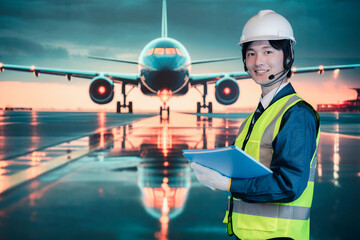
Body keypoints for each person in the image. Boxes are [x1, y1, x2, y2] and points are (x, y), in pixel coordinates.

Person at [191, 10, 320, 240]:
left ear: (288, 56)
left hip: (280, 236)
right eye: (251, 53)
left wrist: (228, 184)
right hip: (251, 233)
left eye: (268, 51)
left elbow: (288, 185)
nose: (258, 62)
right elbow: (250, 168)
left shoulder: (297, 114)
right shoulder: (255, 117)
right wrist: (214, 171)